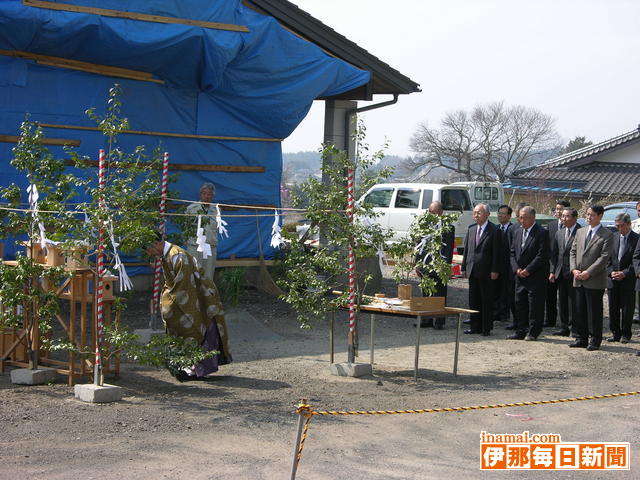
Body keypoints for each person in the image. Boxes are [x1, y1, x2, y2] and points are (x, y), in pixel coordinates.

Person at [146, 235, 232, 381]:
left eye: (149, 248)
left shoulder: (178, 256)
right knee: (182, 328)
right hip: (190, 294)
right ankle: (186, 368)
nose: (149, 253)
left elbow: (183, 286)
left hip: (201, 296)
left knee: (197, 328)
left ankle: (195, 370)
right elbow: (171, 284)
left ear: (157, 243)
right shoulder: (167, 256)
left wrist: (167, 300)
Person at [569, 205, 613, 351]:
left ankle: (595, 339)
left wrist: (589, 272)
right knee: (579, 309)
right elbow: (573, 252)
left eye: (592, 215)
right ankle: (581, 338)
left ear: (600, 216)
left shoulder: (606, 234)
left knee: (594, 311)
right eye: (587, 215)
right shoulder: (580, 232)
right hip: (578, 278)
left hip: (594, 279)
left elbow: (604, 258)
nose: (589, 217)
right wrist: (574, 269)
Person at [508, 206, 549, 341]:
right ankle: (520, 329)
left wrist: (528, 269)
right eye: (519, 217)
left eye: (524, 218)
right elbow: (512, 252)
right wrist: (517, 269)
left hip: (535, 276)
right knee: (520, 303)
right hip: (520, 275)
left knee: (534, 305)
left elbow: (542, 255)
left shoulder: (541, 232)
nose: (521, 220)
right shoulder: (517, 231)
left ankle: (533, 331)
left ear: (532, 218)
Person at [461, 203, 501, 336]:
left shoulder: (494, 230)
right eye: (474, 213)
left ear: (487, 214)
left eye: (479, 212)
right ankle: (474, 326)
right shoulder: (471, 229)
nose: (475, 215)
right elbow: (467, 250)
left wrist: (495, 270)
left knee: (486, 300)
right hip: (472, 270)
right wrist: (464, 268)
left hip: (487, 271)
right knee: (474, 300)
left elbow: (497, 253)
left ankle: (486, 327)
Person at [415, 201, 455, 329]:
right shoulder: (424, 225)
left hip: (440, 264)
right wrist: (418, 263)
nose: (432, 214)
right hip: (425, 263)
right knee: (426, 292)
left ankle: (439, 320)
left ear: (441, 212)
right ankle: (426, 320)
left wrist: (446, 266)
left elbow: (448, 249)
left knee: (440, 293)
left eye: (434, 212)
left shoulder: (448, 227)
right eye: (430, 212)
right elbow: (418, 246)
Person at [606, 213, 638, 343]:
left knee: (627, 308)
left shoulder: (637, 239)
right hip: (613, 279)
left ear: (629, 224)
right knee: (613, 308)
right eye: (617, 226)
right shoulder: (613, 238)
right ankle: (615, 333)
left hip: (628, 279)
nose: (619, 228)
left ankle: (626, 333)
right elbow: (608, 259)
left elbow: (636, 261)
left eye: (622, 226)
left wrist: (625, 273)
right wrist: (611, 272)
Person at [549, 207, 581, 337]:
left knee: (574, 301)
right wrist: (552, 271)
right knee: (561, 301)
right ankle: (564, 327)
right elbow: (554, 254)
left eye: (567, 216)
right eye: (563, 216)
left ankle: (575, 328)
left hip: (574, 272)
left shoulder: (580, 232)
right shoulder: (560, 233)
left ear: (574, 218)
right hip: (560, 272)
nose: (564, 219)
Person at [544, 200, 571, 328]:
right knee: (550, 295)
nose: (558, 211)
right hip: (552, 265)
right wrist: (551, 268)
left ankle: (567, 322)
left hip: (566, 268)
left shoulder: (573, 228)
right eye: (556, 209)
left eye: (560, 209)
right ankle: (550, 320)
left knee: (565, 298)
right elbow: (550, 249)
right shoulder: (551, 225)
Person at [186, 183, 218, 282]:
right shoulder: (192, 208)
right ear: (200, 195)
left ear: (212, 196)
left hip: (210, 246)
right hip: (195, 246)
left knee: (208, 275)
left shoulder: (216, 210)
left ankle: (206, 297)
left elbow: (217, 228)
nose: (207, 196)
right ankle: (193, 296)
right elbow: (185, 226)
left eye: (209, 194)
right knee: (193, 273)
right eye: (204, 193)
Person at [494, 204, 516, 324]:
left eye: (503, 214)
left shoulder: (513, 229)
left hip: (509, 266)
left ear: (509, 216)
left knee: (507, 291)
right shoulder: (495, 228)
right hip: (496, 266)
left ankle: (505, 313)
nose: (501, 216)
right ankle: (496, 312)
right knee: (495, 290)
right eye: (499, 213)